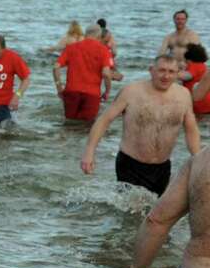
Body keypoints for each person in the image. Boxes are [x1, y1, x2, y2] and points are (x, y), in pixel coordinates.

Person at [80, 55, 198, 195]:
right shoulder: (131, 92)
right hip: (130, 164)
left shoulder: (184, 95)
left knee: (157, 213)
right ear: (151, 70)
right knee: (130, 211)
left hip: (162, 167)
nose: (166, 76)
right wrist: (89, 152)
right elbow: (104, 120)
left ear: (178, 74)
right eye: (161, 70)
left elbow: (191, 129)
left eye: (171, 72)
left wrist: (198, 158)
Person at [54, 23, 113, 122]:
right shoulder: (104, 50)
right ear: (99, 36)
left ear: (85, 34)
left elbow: (55, 68)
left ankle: (65, 137)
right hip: (92, 94)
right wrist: (107, 91)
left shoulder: (71, 47)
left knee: (69, 123)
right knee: (87, 126)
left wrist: (59, 87)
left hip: (71, 91)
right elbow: (106, 74)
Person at [181, 44, 210, 116]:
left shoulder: (194, 65)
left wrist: (176, 73)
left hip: (199, 101)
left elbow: (188, 76)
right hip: (206, 99)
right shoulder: (203, 65)